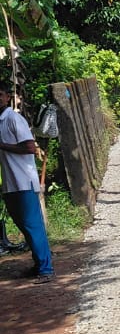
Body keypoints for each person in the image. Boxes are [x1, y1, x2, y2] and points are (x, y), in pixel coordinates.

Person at [0, 86, 54, 282]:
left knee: (32, 226)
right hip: (10, 183)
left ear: (7, 97)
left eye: (0, 95)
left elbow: (30, 147)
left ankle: (46, 269)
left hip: (23, 181)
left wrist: (2, 145)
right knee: (24, 225)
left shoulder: (13, 119)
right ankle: (40, 263)